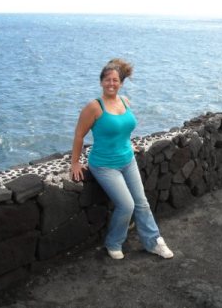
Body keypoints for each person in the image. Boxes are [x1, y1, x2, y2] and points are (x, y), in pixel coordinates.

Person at [70, 58, 174, 260]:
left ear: (121, 83)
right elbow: (79, 136)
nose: (111, 83)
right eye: (107, 80)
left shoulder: (125, 102)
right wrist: (75, 162)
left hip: (127, 159)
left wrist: (127, 143)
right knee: (127, 205)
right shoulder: (94, 107)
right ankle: (113, 242)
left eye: (115, 80)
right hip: (104, 165)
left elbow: (123, 128)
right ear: (101, 82)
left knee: (141, 203)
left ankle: (154, 242)